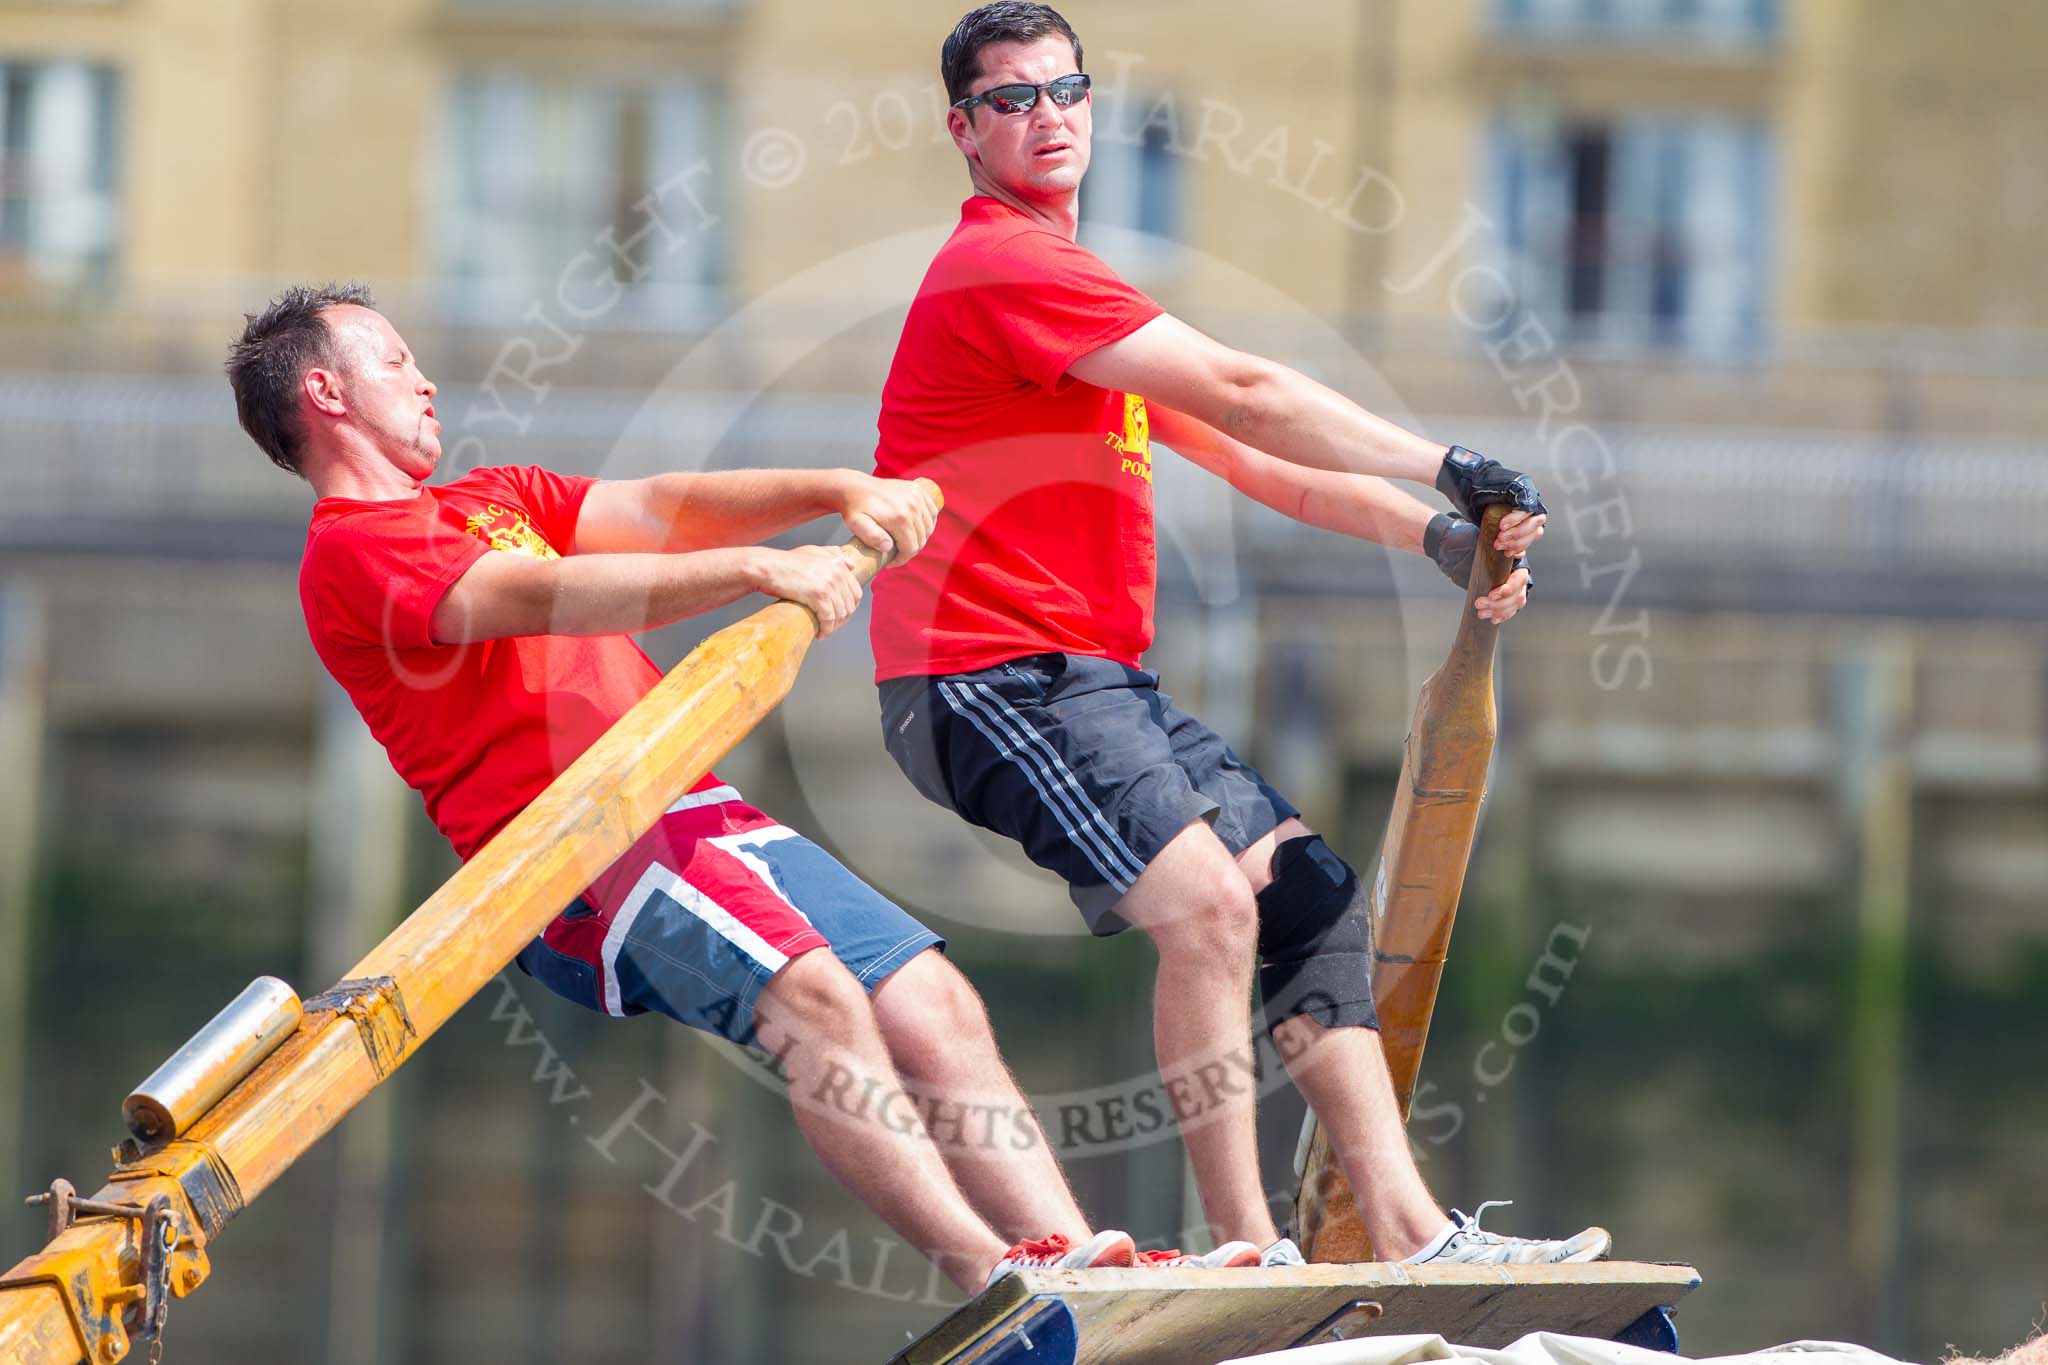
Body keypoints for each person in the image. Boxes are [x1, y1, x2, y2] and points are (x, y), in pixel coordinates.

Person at [873, 3, 1612, 1268]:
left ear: (1090, 104)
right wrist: (1445, 463)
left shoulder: (1078, 295)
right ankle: (1245, 1251)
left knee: (1310, 901)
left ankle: (1410, 1233)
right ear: (964, 129)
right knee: (1209, 909)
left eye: (1064, 91)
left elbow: (1255, 457)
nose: (1045, 117)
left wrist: (1437, 539)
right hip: (978, 677)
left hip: (1090, 679)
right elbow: (1247, 389)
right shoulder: (1003, 267)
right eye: (1010, 99)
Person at [224, 282, 1139, 1293]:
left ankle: (1085, 1264)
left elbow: (657, 507)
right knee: (815, 998)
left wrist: (836, 486)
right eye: (395, 361)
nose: (425, 380)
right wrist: (757, 570)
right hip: (577, 853)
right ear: (326, 392)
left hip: (692, 807)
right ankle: (996, 1282)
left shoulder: (490, 497)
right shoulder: (351, 552)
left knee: (930, 995)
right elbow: (531, 595)